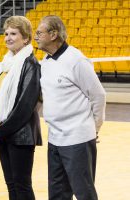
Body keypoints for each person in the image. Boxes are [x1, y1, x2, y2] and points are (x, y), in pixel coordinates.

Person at [34, 15, 106, 200]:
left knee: (84, 193)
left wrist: (93, 127)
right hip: (55, 138)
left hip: (78, 139)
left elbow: (98, 95)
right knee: (57, 193)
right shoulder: (46, 61)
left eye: (39, 32)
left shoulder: (76, 60)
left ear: (53, 34)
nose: (36, 37)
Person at [0, 16, 42, 200]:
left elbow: (25, 106)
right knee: (11, 185)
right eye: (6, 33)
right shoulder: (6, 64)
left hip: (21, 135)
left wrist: (0, 131)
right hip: (2, 132)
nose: (8, 37)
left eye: (13, 34)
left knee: (22, 185)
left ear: (25, 38)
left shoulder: (31, 64)